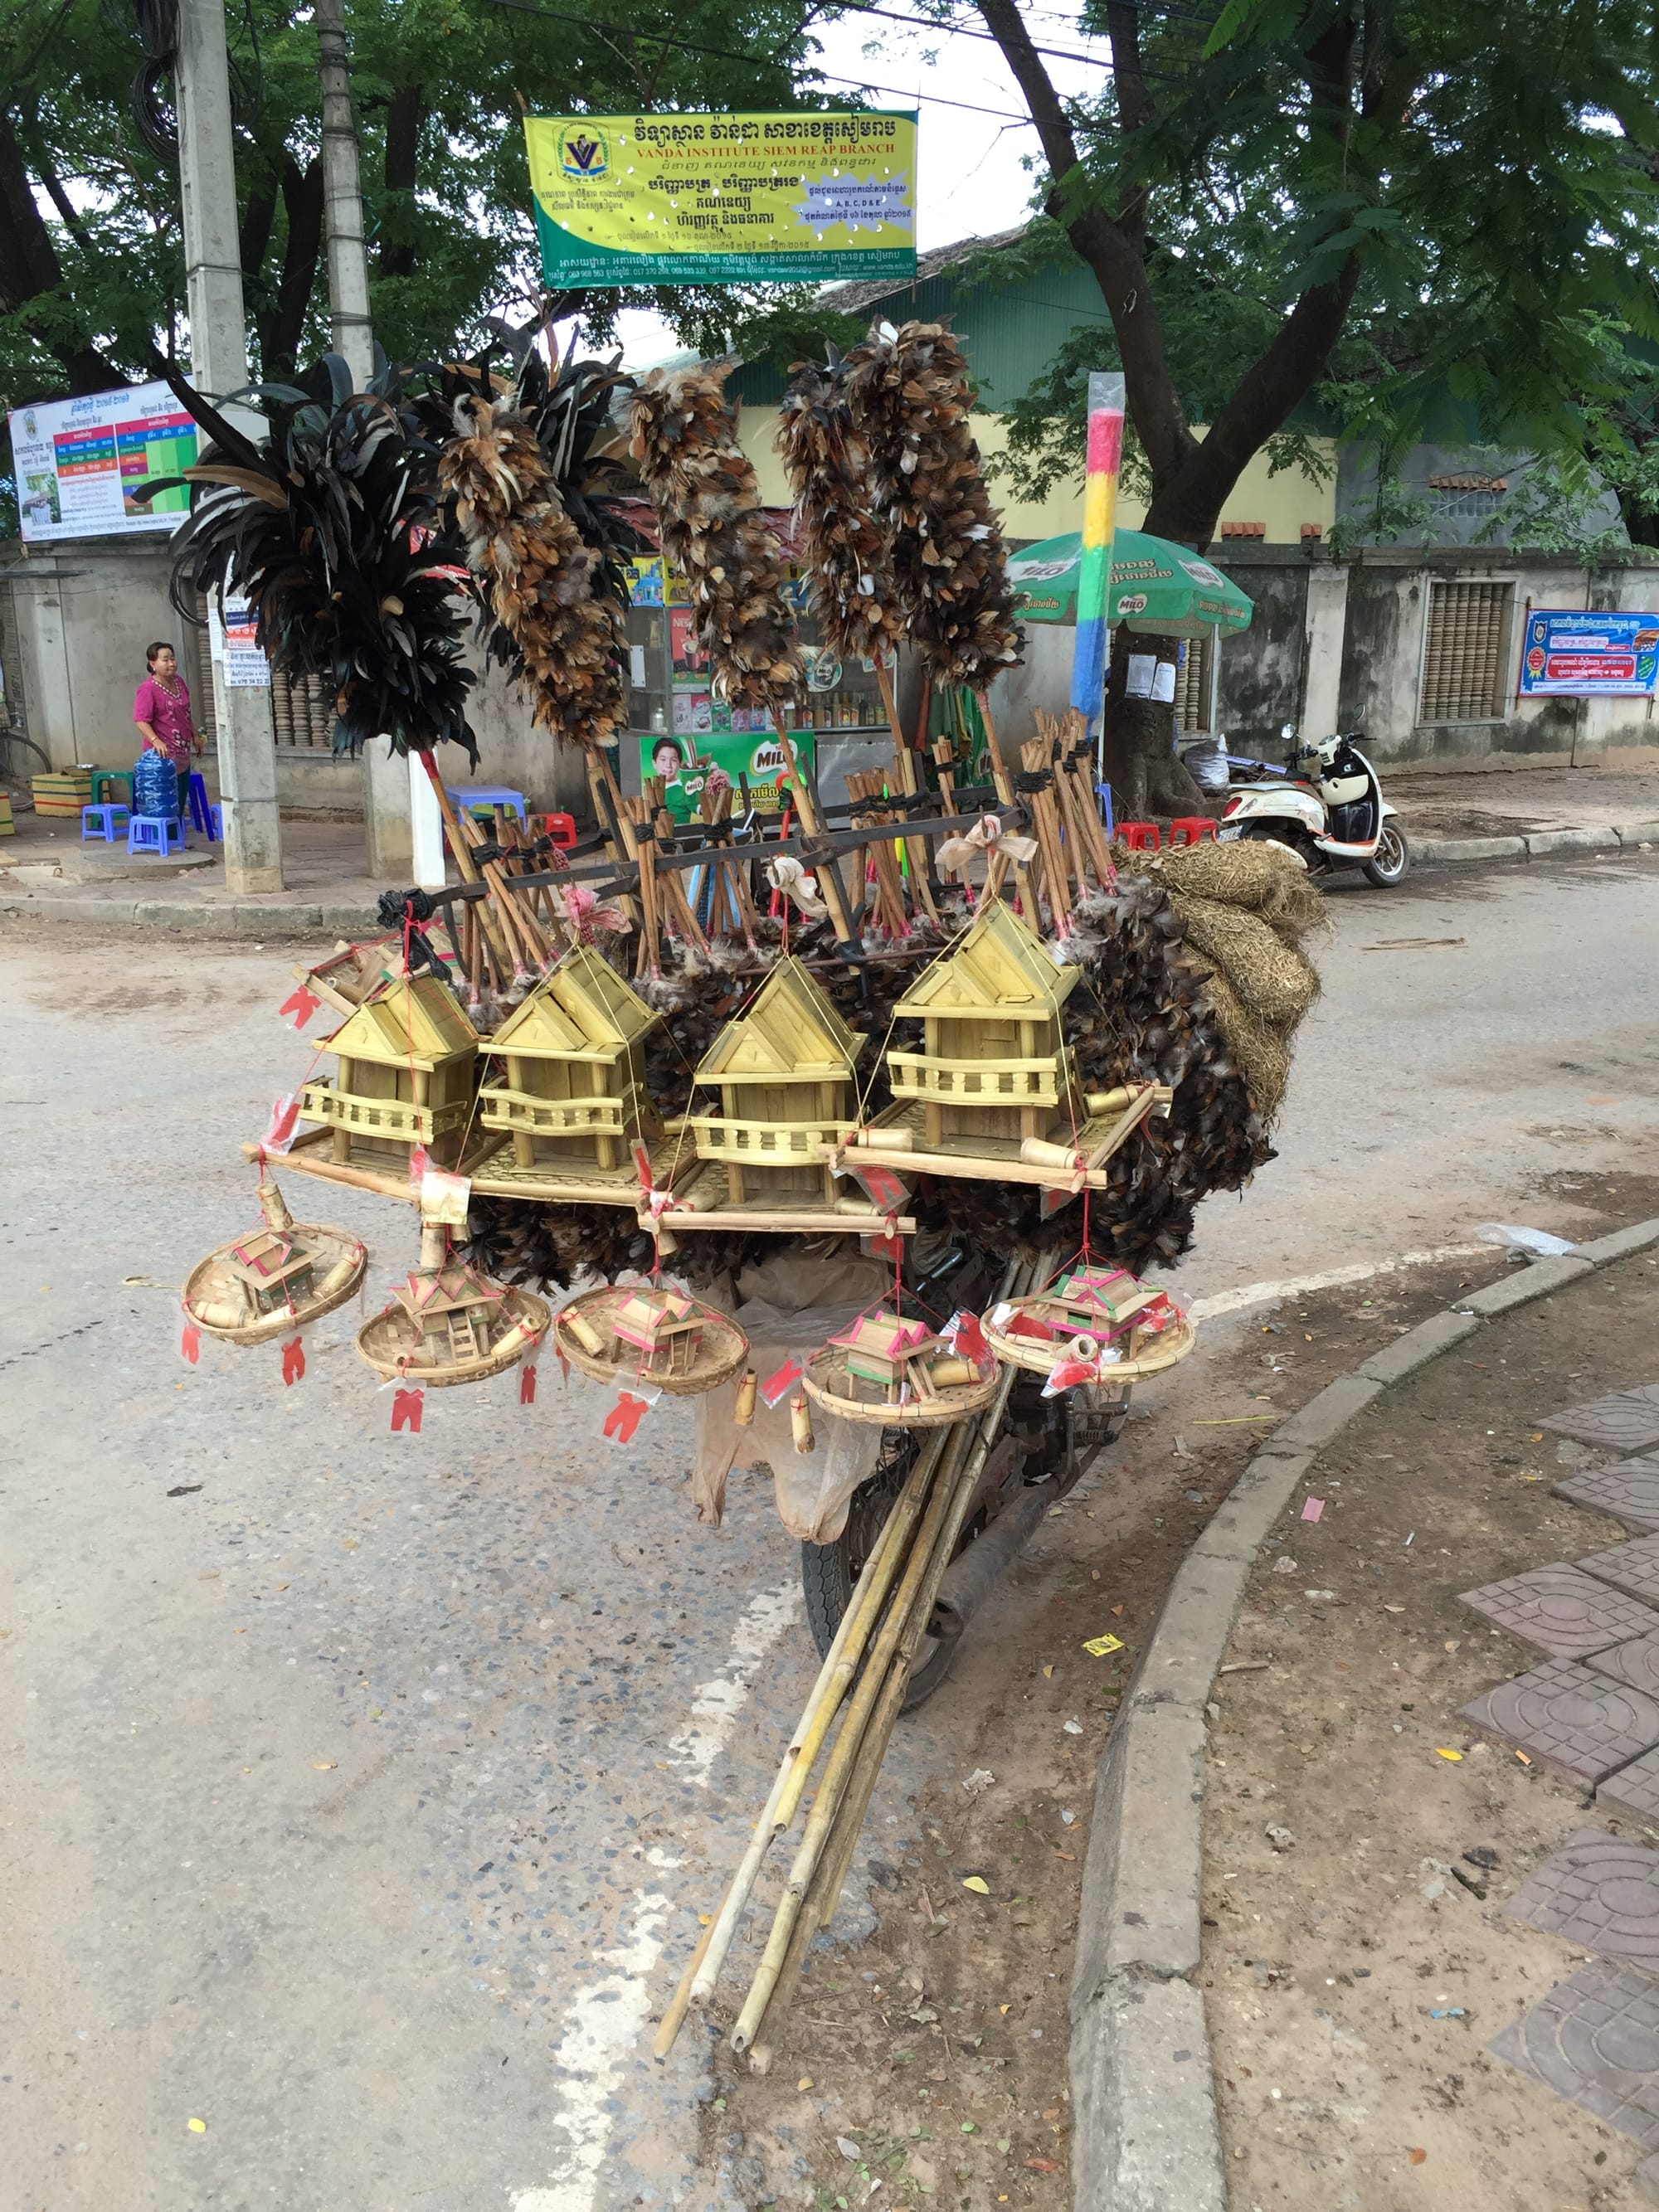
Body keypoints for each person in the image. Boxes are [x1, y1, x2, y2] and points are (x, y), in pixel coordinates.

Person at [133, 640, 202, 774]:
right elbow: (141, 720)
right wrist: (156, 741)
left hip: (182, 753)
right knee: (167, 794)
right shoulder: (148, 689)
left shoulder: (178, 681)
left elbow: (185, 713)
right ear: (153, 664)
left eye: (173, 659)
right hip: (161, 756)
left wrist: (195, 735)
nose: (171, 664)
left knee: (181, 793)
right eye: (165, 660)